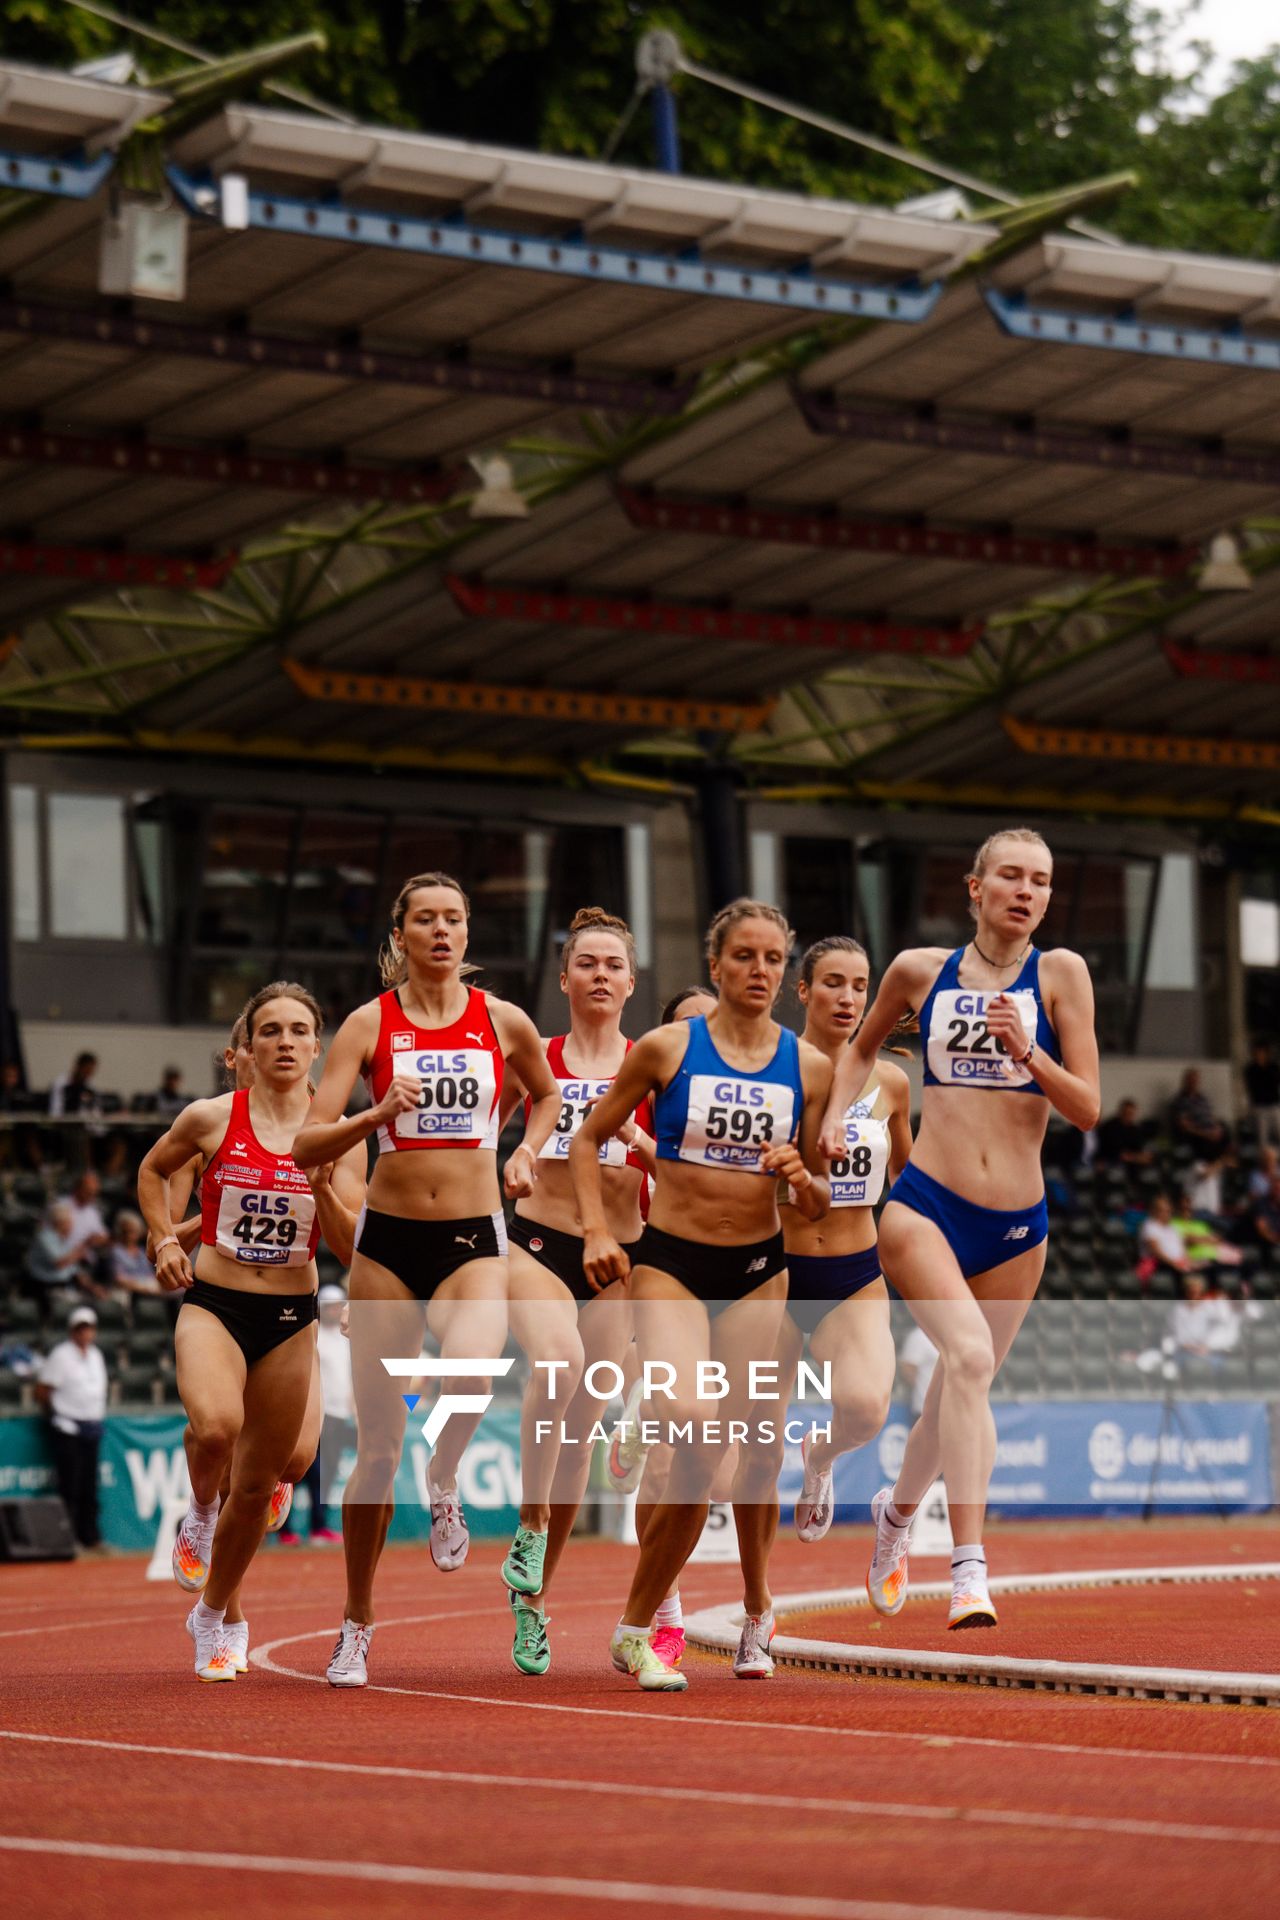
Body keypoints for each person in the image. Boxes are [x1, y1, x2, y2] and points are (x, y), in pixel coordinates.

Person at [819, 826, 1100, 1630]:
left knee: (957, 1388)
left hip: (1018, 1226)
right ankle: (970, 1570)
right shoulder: (919, 971)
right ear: (975, 888)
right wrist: (839, 1115)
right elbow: (861, 1049)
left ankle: (896, 1519)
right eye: (1010, 876)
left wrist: (1031, 1055)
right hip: (925, 1207)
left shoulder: (1062, 975)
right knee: (969, 1357)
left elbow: (1086, 1108)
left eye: (1040, 881)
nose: (1026, 891)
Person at [291, 870, 561, 1689]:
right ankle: (357, 1626)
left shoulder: (503, 1020)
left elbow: (547, 1098)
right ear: (401, 934)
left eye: (455, 919)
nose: (442, 932)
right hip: (388, 1249)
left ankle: (444, 1475)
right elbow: (307, 1144)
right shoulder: (369, 1025)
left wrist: (523, 1150)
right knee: (375, 1453)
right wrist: (374, 1118)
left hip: (476, 1236)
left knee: (473, 1368)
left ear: (468, 935)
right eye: (427, 920)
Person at [572, 898, 833, 1693]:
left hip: (759, 1273)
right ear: (715, 965)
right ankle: (654, 1420)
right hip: (673, 1267)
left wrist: (801, 1180)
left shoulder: (808, 1068)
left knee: (722, 1455)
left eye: (772, 961)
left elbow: (820, 1201)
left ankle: (635, 1629)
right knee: (690, 1421)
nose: (759, 972)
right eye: (744, 957)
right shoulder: (666, 1048)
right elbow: (589, 1138)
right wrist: (597, 1232)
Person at [138, 982, 365, 1682]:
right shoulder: (211, 1118)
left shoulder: (342, 1132)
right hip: (216, 1303)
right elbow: (153, 1170)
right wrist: (162, 1239)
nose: (287, 1042)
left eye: (300, 1030)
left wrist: (323, 1184)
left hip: (291, 1319)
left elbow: (350, 1246)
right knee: (215, 1430)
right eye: (272, 1030)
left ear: (318, 1047)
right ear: (249, 1047)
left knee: (274, 1473)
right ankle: (199, 1513)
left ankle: (214, 1614)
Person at [496, 906, 655, 1674]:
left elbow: (688, 1171)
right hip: (536, 1242)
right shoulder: (535, 1054)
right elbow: (467, 1138)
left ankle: (533, 1603)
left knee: (576, 1441)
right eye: (585, 964)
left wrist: (641, 1143)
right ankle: (528, 1527)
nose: (599, 975)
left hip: (617, 1259)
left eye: (612, 965)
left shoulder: (652, 1062)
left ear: (631, 982)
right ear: (564, 979)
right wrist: (515, 1159)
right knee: (555, 1367)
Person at [786, 937, 912, 1546]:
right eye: (833, 982)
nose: (849, 997)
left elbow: (908, 1184)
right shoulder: (773, 1067)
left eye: (861, 986)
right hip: (772, 1273)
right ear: (804, 990)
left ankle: (819, 1457)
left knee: (865, 1410)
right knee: (738, 1447)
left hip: (852, 1274)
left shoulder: (890, 1083)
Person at [285, 1284, 353, 1545]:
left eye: (338, 1305)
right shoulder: (314, 1338)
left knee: (327, 1472)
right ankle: (287, 1529)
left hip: (338, 1415)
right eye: (331, 1306)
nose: (336, 1310)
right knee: (304, 1472)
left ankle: (318, 1526)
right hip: (315, 1413)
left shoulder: (343, 1338)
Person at [36, 1304, 108, 1551]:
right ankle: (69, 1540)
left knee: (89, 1485)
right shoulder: (61, 1355)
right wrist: (57, 1417)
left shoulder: (96, 1355)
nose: (85, 1333)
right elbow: (43, 1391)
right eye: (80, 1328)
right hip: (68, 1429)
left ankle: (90, 1538)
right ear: (72, 1331)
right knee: (71, 1486)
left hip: (92, 1428)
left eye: (89, 1328)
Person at [24, 1199, 95, 1314]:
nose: (72, 1224)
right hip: (44, 1288)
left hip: (64, 1286)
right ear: (60, 1222)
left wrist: (91, 1286)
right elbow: (59, 1263)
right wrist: (80, 1252)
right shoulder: (44, 1237)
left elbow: (73, 1269)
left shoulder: (63, 1241)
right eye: (69, 1221)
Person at [1169, 1068, 1228, 1157]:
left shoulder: (1202, 1098)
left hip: (1210, 1130)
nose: (1194, 1083)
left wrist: (1217, 1128)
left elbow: (1211, 1116)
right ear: (1186, 1081)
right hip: (1198, 1135)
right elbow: (1185, 1127)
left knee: (1226, 1132)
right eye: (1192, 1080)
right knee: (1209, 1144)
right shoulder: (1181, 1100)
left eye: (1196, 1080)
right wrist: (1206, 1134)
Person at [109, 1210, 160, 1298]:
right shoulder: (115, 1251)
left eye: (133, 1232)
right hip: (125, 1291)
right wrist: (141, 1287)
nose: (129, 1236)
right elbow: (118, 1279)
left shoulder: (142, 1251)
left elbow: (150, 1274)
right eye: (126, 1232)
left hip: (147, 1289)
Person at [897, 1323, 939, 1418]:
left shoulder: (954, 1335)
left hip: (950, 1408)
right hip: (925, 1409)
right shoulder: (919, 1336)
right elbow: (908, 1368)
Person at [1096, 1098, 1152, 1170]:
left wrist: (1140, 1156)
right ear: (1120, 1112)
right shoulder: (1110, 1127)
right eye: (1126, 1113)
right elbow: (1115, 1151)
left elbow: (1139, 1147)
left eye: (1131, 1114)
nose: (1128, 1116)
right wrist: (1135, 1157)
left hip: (1131, 1161)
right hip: (1112, 1160)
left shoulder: (1134, 1129)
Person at [1245, 1041, 1280, 1149]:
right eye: (1257, 1052)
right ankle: (1265, 1162)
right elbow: (1253, 1087)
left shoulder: (1273, 1067)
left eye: (1262, 1052)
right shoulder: (1250, 1069)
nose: (1259, 1054)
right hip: (1259, 1107)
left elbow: (1275, 1082)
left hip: (1273, 1105)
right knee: (1262, 1138)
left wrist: (1265, 1068)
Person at [49, 1051, 99, 1117]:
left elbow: (96, 1113)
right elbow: (55, 1111)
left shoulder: (90, 1087)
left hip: (84, 1124)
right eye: (86, 1070)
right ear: (78, 1067)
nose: (88, 1074)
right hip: (64, 1123)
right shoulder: (61, 1084)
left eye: (91, 1071)